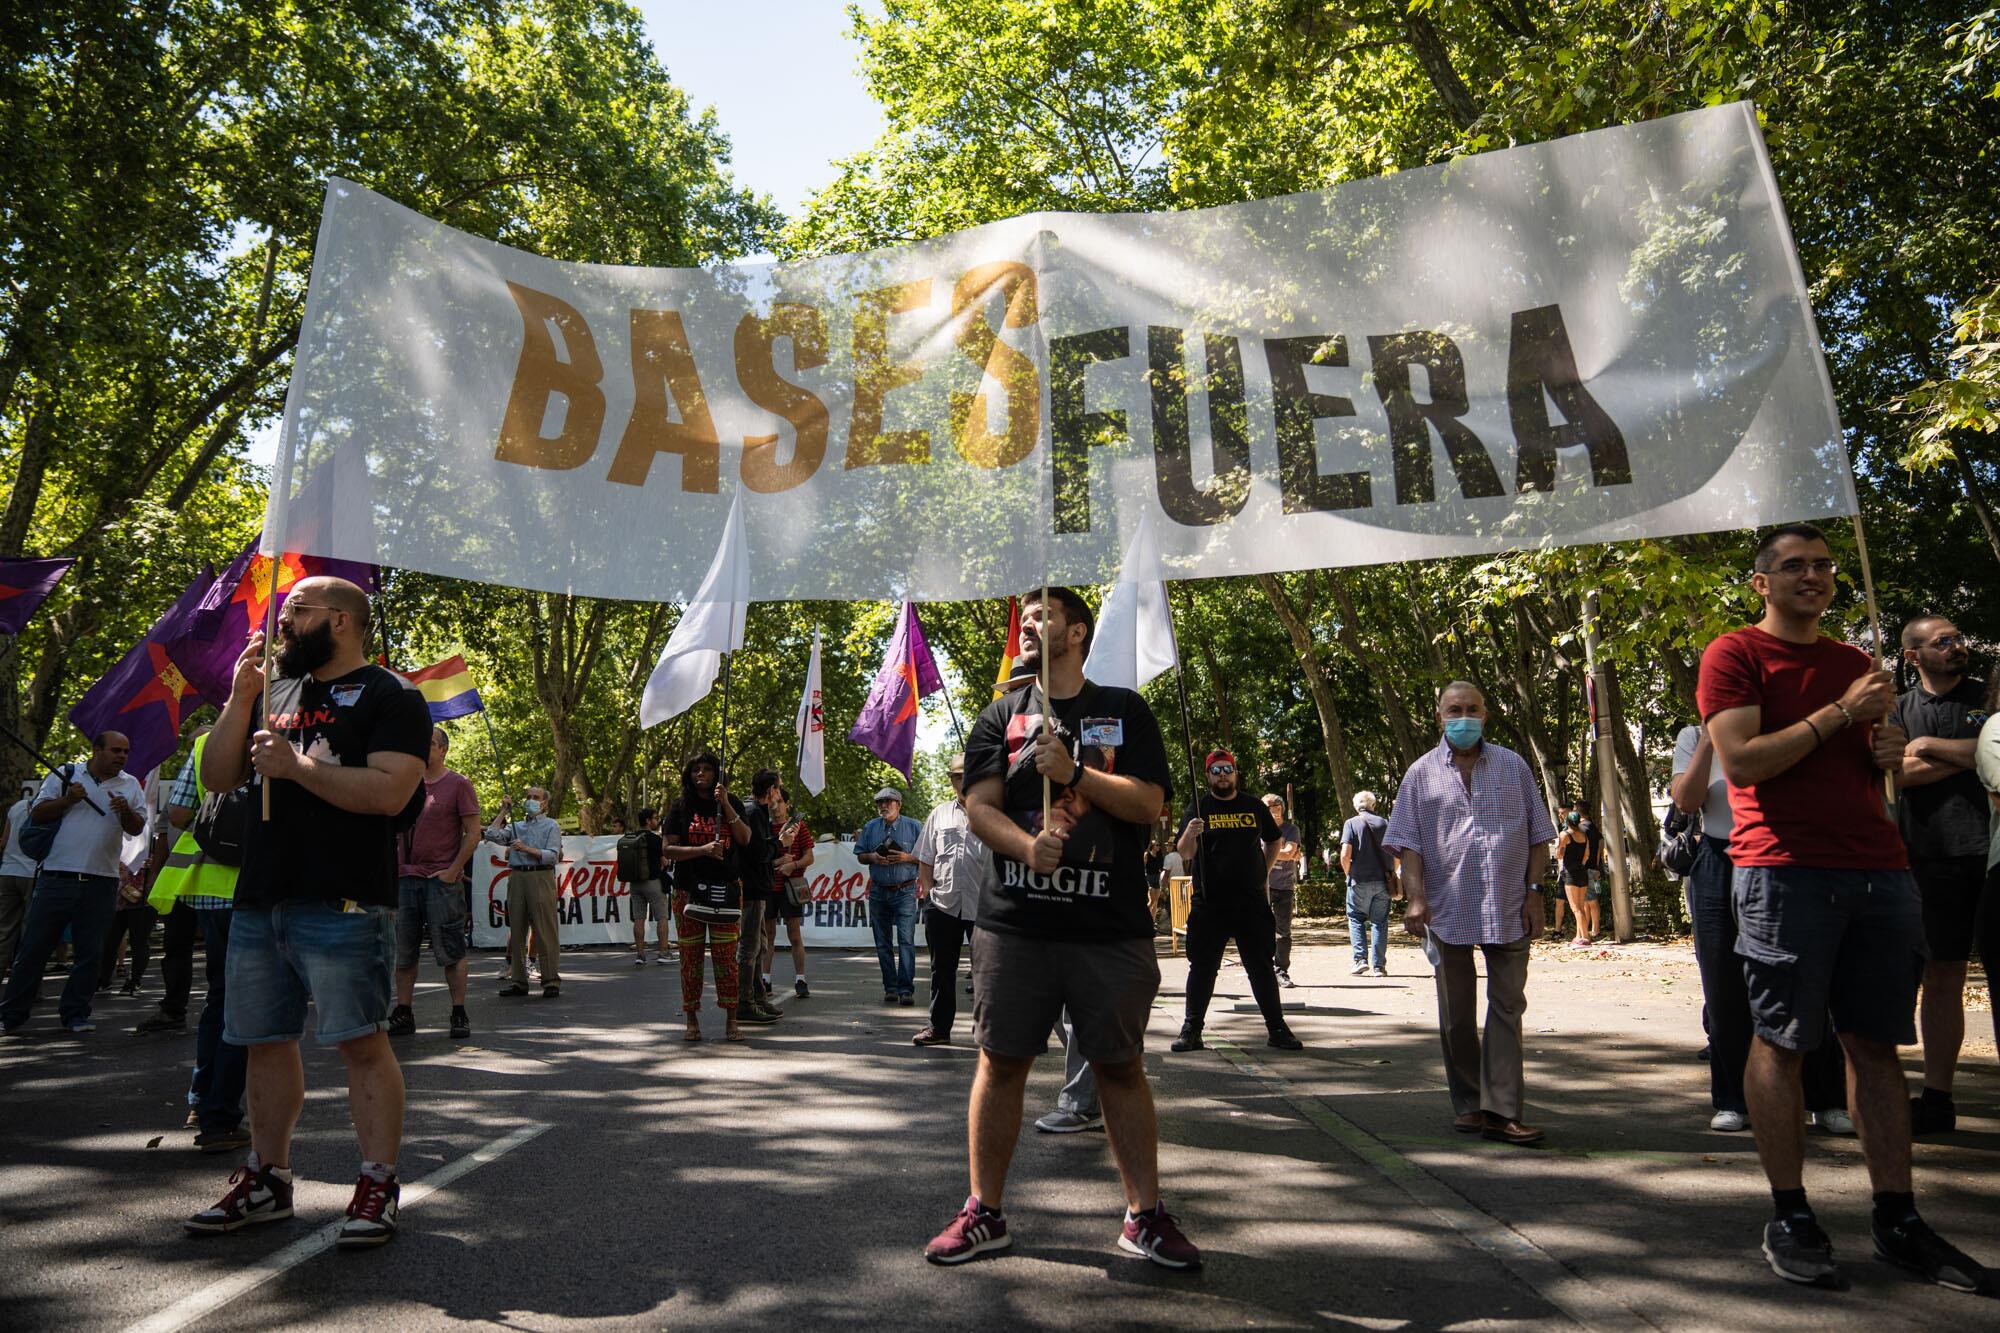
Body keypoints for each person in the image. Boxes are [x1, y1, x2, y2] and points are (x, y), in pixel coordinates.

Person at [1698, 523, 1988, 1292]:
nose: (1815, 575)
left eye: (1824, 565)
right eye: (1794, 566)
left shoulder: (1857, 662)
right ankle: (1790, 1213)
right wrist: (1837, 713)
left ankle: (1899, 1217)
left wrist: (1886, 752)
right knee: (1784, 1041)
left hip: (1881, 870)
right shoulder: (1735, 655)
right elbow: (1742, 762)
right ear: (1762, 582)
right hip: (1782, 872)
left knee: (1876, 1046)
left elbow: (1877, 766)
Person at [924, 586, 1197, 1269]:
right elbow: (979, 804)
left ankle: (1144, 1217)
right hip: (1015, 928)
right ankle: (984, 1211)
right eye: (1027, 614)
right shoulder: (999, 714)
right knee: (1002, 1061)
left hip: (1110, 928)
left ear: (1078, 632)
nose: (1029, 623)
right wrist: (1024, 847)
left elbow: (1150, 802)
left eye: (1045, 615)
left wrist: (1074, 772)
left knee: (1119, 1066)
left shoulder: (1124, 710)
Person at [186, 575, 429, 1248]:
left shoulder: (392, 696)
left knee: (360, 1041)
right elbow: (216, 777)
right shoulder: (274, 690)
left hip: (346, 898)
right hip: (261, 897)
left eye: (296, 611)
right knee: (264, 1039)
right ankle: (267, 1177)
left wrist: (296, 766)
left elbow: (389, 792)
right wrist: (240, 700)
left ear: (342, 622)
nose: (281, 622)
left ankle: (376, 1183)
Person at [1383, 682, 1556, 1147]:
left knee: (1507, 1007)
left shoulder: (1513, 766)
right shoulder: (1420, 775)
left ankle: (1502, 1112)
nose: (1464, 717)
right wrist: (1415, 899)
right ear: (1439, 717)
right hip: (1446, 909)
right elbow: (1409, 845)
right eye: (1454, 710)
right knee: (1456, 1014)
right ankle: (1471, 1104)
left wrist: (1534, 892)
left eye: (1472, 709)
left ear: (1486, 714)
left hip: (1508, 906)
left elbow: (1540, 834)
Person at [1672, 722, 1854, 1137]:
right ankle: (1734, 1099)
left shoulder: (1786, 728)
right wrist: (1706, 740)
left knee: (1803, 983)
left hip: (1783, 858)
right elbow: (1686, 800)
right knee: (1723, 986)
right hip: (1718, 860)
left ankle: (1824, 1098)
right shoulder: (1691, 737)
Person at [1890, 615, 1991, 1135]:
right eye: (1943, 641)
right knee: (1943, 975)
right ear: (1913, 656)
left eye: (1959, 638)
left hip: (1994, 854)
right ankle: (1937, 1099)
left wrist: (1926, 746)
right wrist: (1976, 756)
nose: (1958, 646)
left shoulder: (1989, 693)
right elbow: (1893, 775)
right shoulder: (1899, 707)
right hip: (1932, 856)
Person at [136, 727, 250, 1153]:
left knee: (219, 1000)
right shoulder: (284, 740)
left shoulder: (207, 744)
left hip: (205, 888)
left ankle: (203, 1102)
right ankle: (220, 1115)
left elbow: (179, 813)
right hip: (251, 892)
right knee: (244, 1006)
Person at [0, 730, 147, 1035]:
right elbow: (38, 814)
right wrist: (69, 799)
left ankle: (76, 1014)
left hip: (102, 881)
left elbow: (137, 827)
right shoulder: (65, 774)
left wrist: (126, 812)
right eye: (116, 750)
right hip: (57, 877)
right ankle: (12, 1015)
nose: (122, 756)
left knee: (90, 954)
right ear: (96, 750)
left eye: (126, 751)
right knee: (33, 950)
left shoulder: (130, 784)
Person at [1169, 750, 1302, 1054]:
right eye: (1216, 770)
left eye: (1228, 769)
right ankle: (1192, 1029)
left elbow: (1273, 840)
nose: (1223, 775)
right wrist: (1190, 832)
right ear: (1207, 775)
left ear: (1236, 772)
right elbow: (1185, 852)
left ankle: (1277, 1028)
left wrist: (1263, 873)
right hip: (1209, 903)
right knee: (1202, 968)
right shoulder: (1199, 807)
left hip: (1250, 903)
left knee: (1261, 968)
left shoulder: (1254, 805)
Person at [388, 727, 480, 1039]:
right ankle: (403, 1011)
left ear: (443, 750)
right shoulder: (404, 783)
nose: (421, 748)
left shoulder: (459, 784)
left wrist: (454, 870)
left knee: (451, 950)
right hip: (404, 880)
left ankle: (458, 1011)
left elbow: (473, 832)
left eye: (428, 743)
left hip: (441, 882)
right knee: (403, 951)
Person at [663, 752, 755, 1041]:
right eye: (695, 770)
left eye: (707, 769)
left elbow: (745, 839)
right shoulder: (680, 807)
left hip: (726, 890)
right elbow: (667, 849)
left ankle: (731, 1020)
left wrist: (725, 803)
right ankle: (691, 1019)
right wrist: (702, 851)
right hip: (687, 891)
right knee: (690, 957)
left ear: (718, 774)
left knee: (726, 959)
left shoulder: (732, 802)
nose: (700, 774)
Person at [913, 752, 984, 1046]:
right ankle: (939, 1029)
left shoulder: (995, 812)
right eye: (957, 776)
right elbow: (925, 857)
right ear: (952, 780)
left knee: (987, 971)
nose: (962, 781)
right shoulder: (939, 814)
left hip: (984, 905)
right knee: (942, 969)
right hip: (942, 903)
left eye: (967, 775)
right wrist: (928, 892)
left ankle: (989, 1031)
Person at [488, 785, 563, 999]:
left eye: (536, 797)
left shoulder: (551, 826)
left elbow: (552, 855)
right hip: (517, 876)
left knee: (545, 929)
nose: (531, 800)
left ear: (545, 803)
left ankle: (550, 981)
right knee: (517, 930)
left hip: (540, 876)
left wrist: (525, 849)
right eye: (528, 796)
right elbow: (492, 834)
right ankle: (519, 981)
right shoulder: (515, 825)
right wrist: (503, 810)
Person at [856, 785, 923, 1005]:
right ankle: (891, 988)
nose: (883, 806)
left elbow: (927, 856)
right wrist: (873, 857)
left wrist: (907, 857)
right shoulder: (870, 827)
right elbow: (861, 856)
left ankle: (906, 990)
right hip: (878, 891)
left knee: (905, 940)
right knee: (882, 942)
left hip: (905, 890)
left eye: (888, 802)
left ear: (899, 804)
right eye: (879, 802)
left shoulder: (914, 827)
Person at [734, 770, 785, 1024]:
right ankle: (744, 1001)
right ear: (771, 790)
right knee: (750, 946)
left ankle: (757, 997)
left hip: (757, 887)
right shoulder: (753, 812)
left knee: (759, 946)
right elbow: (757, 852)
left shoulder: (755, 811)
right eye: (778, 788)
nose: (779, 794)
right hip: (751, 888)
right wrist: (780, 842)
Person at [763, 786, 814, 997]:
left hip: (791, 888)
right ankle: (765, 979)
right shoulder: (763, 827)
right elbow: (757, 858)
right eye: (771, 804)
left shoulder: (798, 827)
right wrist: (775, 862)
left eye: (779, 803)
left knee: (794, 935)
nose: (775, 808)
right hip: (767, 888)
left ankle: (800, 979)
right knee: (768, 936)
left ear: (787, 804)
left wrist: (792, 865)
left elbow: (809, 857)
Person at [1340, 790, 1395, 976]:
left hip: (1358, 880)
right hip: (1383, 881)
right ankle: (1379, 967)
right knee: (1380, 922)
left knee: (1356, 918)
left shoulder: (1351, 823)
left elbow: (1345, 854)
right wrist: (1393, 873)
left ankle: (1360, 960)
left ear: (1356, 806)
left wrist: (1349, 873)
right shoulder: (1385, 823)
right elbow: (1396, 853)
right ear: (1373, 805)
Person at [1262, 793, 1304, 986]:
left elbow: (1289, 854)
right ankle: (1262, 969)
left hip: (1283, 886)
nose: (1275, 813)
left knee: (1283, 931)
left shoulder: (1291, 829)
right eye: (1270, 810)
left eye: (1278, 809)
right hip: (1260, 885)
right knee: (1258, 929)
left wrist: (1265, 852)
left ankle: (1281, 970)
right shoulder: (1257, 828)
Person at [619, 807, 669, 966]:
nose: (657, 820)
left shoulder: (630, 838)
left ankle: (640, 955)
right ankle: (663, 952)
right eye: (655, 818)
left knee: (639, 918)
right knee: (662, 917)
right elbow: (665, 861)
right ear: (648, 821)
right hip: (653, 882)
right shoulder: (656, 839)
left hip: (635, 884)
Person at [0, 782, 37, 983]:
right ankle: (26, 985)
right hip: (31, 873)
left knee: (5, 930)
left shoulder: (16, 807)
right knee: (30, 931)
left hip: (7, 871)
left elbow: (4, 841)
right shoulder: (50, 806)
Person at [1556, 806, 1593, 947]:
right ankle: (1578, 936)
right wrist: (1580, 864)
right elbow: (1587, 855)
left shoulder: (1565, 834)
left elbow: (1559, 854)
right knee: (1581, 906)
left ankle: (1585, 938)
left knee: (1575, 908)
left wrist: (1561, 850)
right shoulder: (1584, 835)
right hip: (1582, 872)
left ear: (1568, 821)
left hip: (1570, 873)